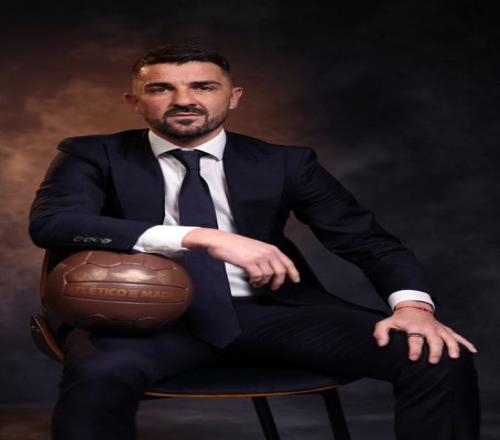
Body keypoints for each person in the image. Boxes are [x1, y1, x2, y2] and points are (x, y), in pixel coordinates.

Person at [29, 43, 480, 440]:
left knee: (435, 355)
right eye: (161, 88)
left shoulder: (285, 163)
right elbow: (53, 224)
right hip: (141, 319)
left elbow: (368, 242)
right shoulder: (92, 154)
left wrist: (413, 308)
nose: (183, 100)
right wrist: (200, 237)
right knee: (98, 375)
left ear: (233, 96)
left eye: (203, 86)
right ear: (135, 101)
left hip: (270, 314)